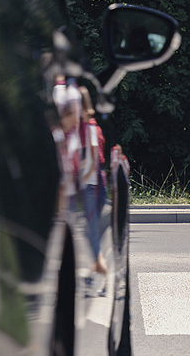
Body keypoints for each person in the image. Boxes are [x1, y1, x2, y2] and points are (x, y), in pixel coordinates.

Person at [78, 86, 108, 278]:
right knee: (90, 232)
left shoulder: (88, 129)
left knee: (91, 233)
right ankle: (97, 271)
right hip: (92, 185)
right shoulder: (89, 127)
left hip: (89, 185)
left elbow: (94, 160)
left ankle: (99, 272)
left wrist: (79, 176)